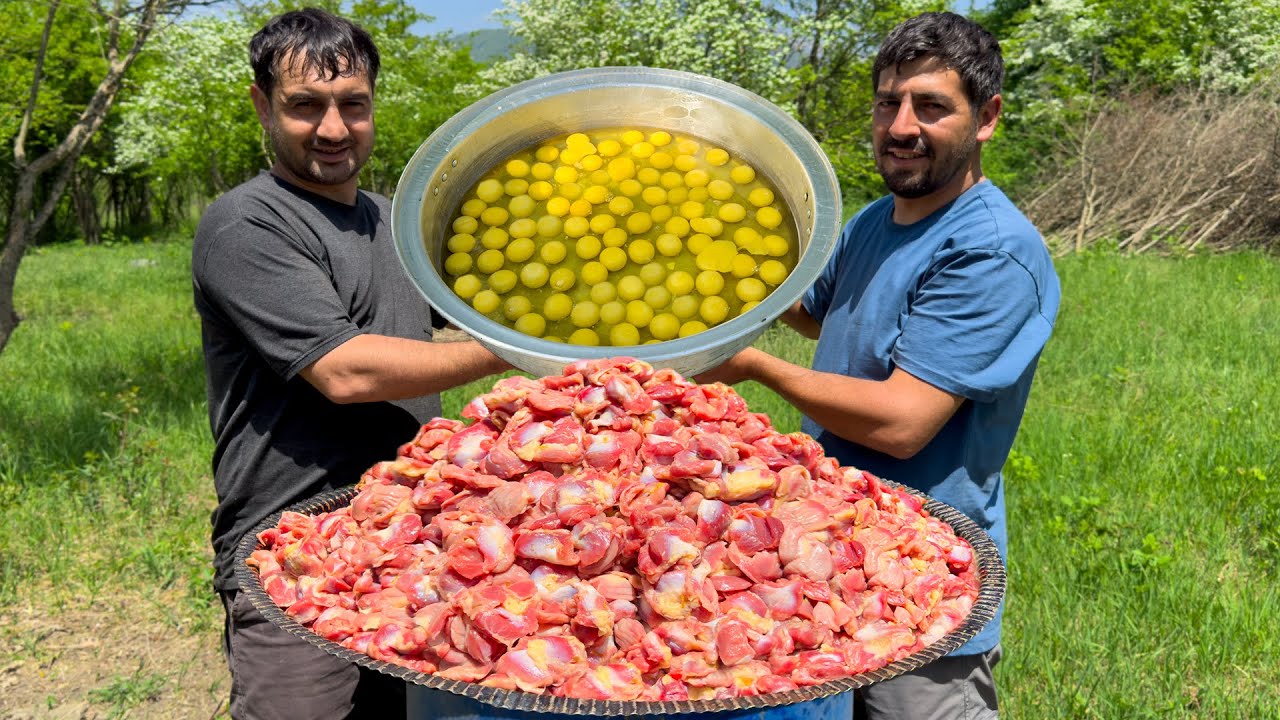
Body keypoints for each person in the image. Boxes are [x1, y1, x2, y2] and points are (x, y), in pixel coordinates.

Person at [698, 11, 1060, 720]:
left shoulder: (989, 251)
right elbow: (822, 315)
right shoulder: (875, 220)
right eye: (888, 102)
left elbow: (902, 424)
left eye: (931, 106)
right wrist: (728, 265)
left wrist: (754, 366)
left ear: (987, 118)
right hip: (832, 560)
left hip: (922, 578)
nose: (901, 126)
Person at [192, 9, 509, 719]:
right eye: (305, 105)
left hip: (414, 544)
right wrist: (517, 350)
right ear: (262, 106)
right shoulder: (249, 224)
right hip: (294, 553)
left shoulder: (394, 222)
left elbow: (483, 310)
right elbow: (345, 371)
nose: (333, 129)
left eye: (352, 105)